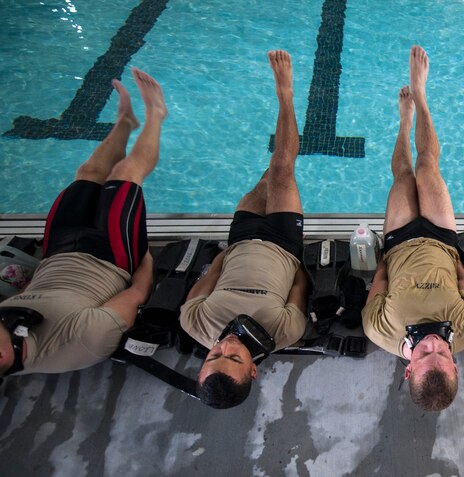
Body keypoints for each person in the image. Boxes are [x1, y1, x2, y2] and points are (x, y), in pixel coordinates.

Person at [0, 68, 163, 376]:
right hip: (111, 258)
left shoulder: (8, 329)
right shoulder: (81, 341)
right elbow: (138, 293)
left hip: (58, 253)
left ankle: (126, 122)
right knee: (126, 175)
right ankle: (156, 113)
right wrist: (143, 253)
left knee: (88, 173)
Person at [179, 51, 309, 409]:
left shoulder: (195, 324)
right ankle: (286, 93)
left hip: (241, 236)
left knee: (270, 175)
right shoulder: (285, 333)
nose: (227, 347)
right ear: (253, 370)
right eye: (234, 358)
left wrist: (234, 250)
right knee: (282, 167)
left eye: (214, 355)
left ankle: (289, 133)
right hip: (283, 242)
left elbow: (210, 275)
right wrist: (289, 252)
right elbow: (299, 283)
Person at [362, 46, 464, 412]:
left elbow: (379, 284)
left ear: (408, 368)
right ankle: (421, 94)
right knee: (428, 166)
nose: (432, 341)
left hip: (399, 242)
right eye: (441, 351)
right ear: (455, 366)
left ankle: (404, 120)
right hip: (441, 238)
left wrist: (388, 250)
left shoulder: (379, 331)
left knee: (403, 175)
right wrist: (452, 253)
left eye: (424, 351)